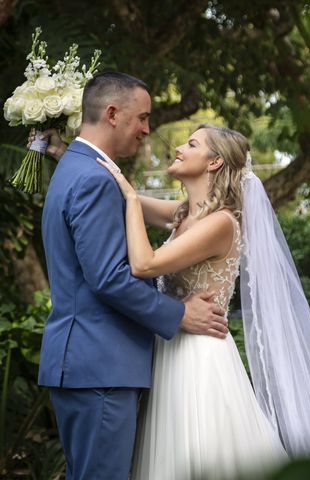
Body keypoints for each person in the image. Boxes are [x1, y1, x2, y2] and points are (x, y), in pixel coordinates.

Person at [96, 123, 310, 479]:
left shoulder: (221, 223)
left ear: (214, 161)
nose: (178, 148)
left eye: (191, 144)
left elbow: (144, 264)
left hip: (199, 359)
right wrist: (69, 153)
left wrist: (129, 197)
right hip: (171, 349)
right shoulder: (183, 215)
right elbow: (124, 199)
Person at [38, 72, 229, 480]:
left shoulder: (78, 169)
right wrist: (179, 314)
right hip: (100, 364)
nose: (147, 128)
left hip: (86, 362)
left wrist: (60, 151)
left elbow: (152, 211)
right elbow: (109, 277)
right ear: (112, 113)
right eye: (141, 117)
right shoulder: (93, 180)